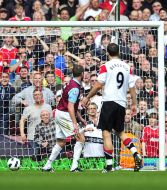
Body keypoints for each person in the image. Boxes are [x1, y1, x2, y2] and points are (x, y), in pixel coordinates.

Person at [82, 43, 142, 172]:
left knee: (106, 133)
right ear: (118, 52)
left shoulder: (105, 66)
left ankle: (109, 166)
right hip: (121, 103)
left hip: (109, 102)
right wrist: (134, 104)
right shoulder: (127, 67)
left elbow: (98, 85)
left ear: (107, 53)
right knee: (120, 132)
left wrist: (87, 97)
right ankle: (136, 153)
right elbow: (132, 87)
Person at [42, 65, 86, 172]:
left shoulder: (71, 83)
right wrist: (75, 123)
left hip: (59, 112)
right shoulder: (75, 88)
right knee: (81, 138)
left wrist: (80, 118)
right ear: (82, 74)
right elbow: (71, 107)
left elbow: (72, 105)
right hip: (65, 114)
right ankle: (74, 166)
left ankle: (47, 166)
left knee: (61, 142)